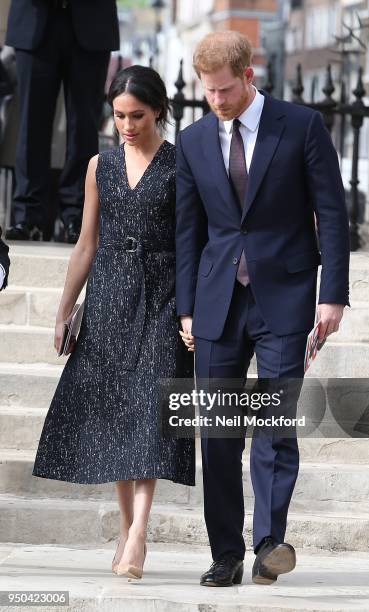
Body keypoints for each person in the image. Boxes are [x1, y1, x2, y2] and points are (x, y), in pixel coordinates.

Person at [176, 31, 350, 587]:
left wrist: (333, 294)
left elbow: (333, 212)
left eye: (225, 90)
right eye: (208, 92)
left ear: (249, 76)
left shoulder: (301, 126)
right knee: (219, 434)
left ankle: (270, 542)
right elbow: (188, 231)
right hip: (216, 302)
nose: (217, 101)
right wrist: (185, 308)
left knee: (275, 427)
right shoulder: (194, 140)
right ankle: (225, 553)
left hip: (287, 295)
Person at [32, 65, 195, 579]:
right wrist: (64, 310)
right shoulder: (98, 165)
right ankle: (126, 529)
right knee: (116, 416)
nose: (126, 124)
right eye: (119, 115)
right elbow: (86, 243)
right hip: (108, 299)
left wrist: (191, 308)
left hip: (163, 298)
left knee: (150, 415)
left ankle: (140, 533)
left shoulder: (181, 164)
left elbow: (194, 241)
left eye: (137, 115)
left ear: (159, 111)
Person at [4, 0, 120, 243]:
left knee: (84, 127)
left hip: (92, 19)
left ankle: (78, 217)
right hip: (34, 18)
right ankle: (27, 216)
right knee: (30, 125)